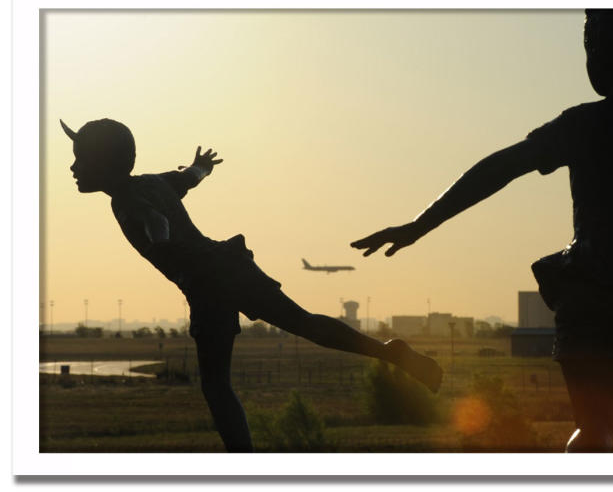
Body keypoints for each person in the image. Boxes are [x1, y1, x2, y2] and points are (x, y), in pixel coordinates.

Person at [351, 9, 613, 453]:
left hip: (590, 292)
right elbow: (499, 168)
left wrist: (421, 225)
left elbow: (500, 168)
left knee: (593, 431)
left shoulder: (581, 124)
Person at [61, 119, 443, 452]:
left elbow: (153, 220)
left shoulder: (126, 201)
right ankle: (392, 353)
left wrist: (162, 241)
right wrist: (201, 166)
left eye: (81, 159)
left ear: (104, 164)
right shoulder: (154, 182)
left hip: (207, 283)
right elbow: (189, 179)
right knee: (306, 323)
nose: (74, 167)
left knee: (216, 385)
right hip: (230, 264)